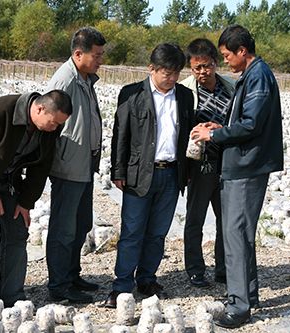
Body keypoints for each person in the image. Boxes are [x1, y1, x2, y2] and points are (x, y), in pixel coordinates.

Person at [191, 24, 283, 328]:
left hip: (246, 167)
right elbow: (242, 121)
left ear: (242, 51)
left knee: (234, 235)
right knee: (240, 235)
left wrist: (213, 136)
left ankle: (239, 306)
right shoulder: (253, 75)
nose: (226, 61)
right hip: (244, 164)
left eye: (228, 55)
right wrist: (222, 127)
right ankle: (249, 295)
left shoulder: (258, 76)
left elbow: (251, 125)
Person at [0, 90, 72, 307]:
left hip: (8, 177)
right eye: (54, 122)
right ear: (39, 108)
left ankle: (12, 296)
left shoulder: (49, 128)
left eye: (59, 125)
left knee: (17, 232)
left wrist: (26, 202)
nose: (55, 128)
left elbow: (41, 167)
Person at [104, 43, 195, 308]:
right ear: (151, 69)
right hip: (139, 174)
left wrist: (186, 172)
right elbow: (120, 136)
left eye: (176, 72)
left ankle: (146, 279)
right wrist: (118, 171)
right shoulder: (132, 94)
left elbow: (187, 137)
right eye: (167, 72)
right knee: (132, 231)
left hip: (170, 174)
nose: (172, 78)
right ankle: (122, 286)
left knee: (157, 233)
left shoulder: (185, 97)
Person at [44, 27, 106, 303]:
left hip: (84, 165)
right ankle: (58, 286)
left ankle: (72, 275)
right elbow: (49, 121)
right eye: (96, 55)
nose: (100, 60)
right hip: (68, 167)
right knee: (64, 228)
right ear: (78, 53)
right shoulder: (65, 80)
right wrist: (60, 157)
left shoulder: (85, 79)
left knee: (81, 224)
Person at [181, 38, 234, 288]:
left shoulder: (231, 88)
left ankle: (223, 269)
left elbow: (240, 124)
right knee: (195, 219)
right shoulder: (185, 91)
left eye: (207, 66)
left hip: (227, 162)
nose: (203, 72)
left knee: (226, 220)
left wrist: (222, 129)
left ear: (215, 63)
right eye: (197, 68)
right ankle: (195, 269)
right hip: (200, 164)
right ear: (190, 68)